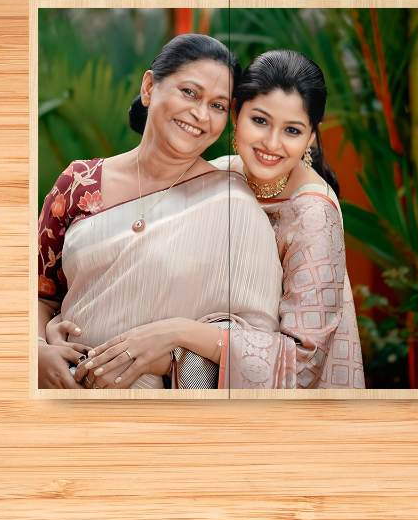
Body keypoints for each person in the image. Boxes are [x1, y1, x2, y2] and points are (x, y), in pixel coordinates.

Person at [79, 49, 365, 390]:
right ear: (235, 114)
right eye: (259, 121)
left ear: (311, 137)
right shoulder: (219, 174)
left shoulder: (314, 215)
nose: (271, 143)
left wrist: (178, 337)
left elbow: (302, 365)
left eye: (292, 130)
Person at [37, 34, 284, 389]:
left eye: (217, 106)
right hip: (63, 403)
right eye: (190, 93)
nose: (200, 115)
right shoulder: (78, 182)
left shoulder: (233, 205)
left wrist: (172, 355)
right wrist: (36, 351)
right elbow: (39, 295)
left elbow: (260, 346)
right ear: (150, 87)